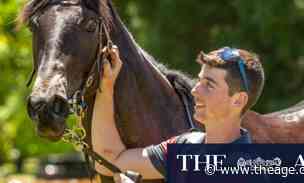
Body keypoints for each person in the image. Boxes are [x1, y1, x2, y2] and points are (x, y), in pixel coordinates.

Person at [91, 46, 265, 181]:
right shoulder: (185, 145)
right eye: (199, 80)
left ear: (238, 100)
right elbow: (112, 160)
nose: (195, 90)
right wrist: (106, 87)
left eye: (209, 85)